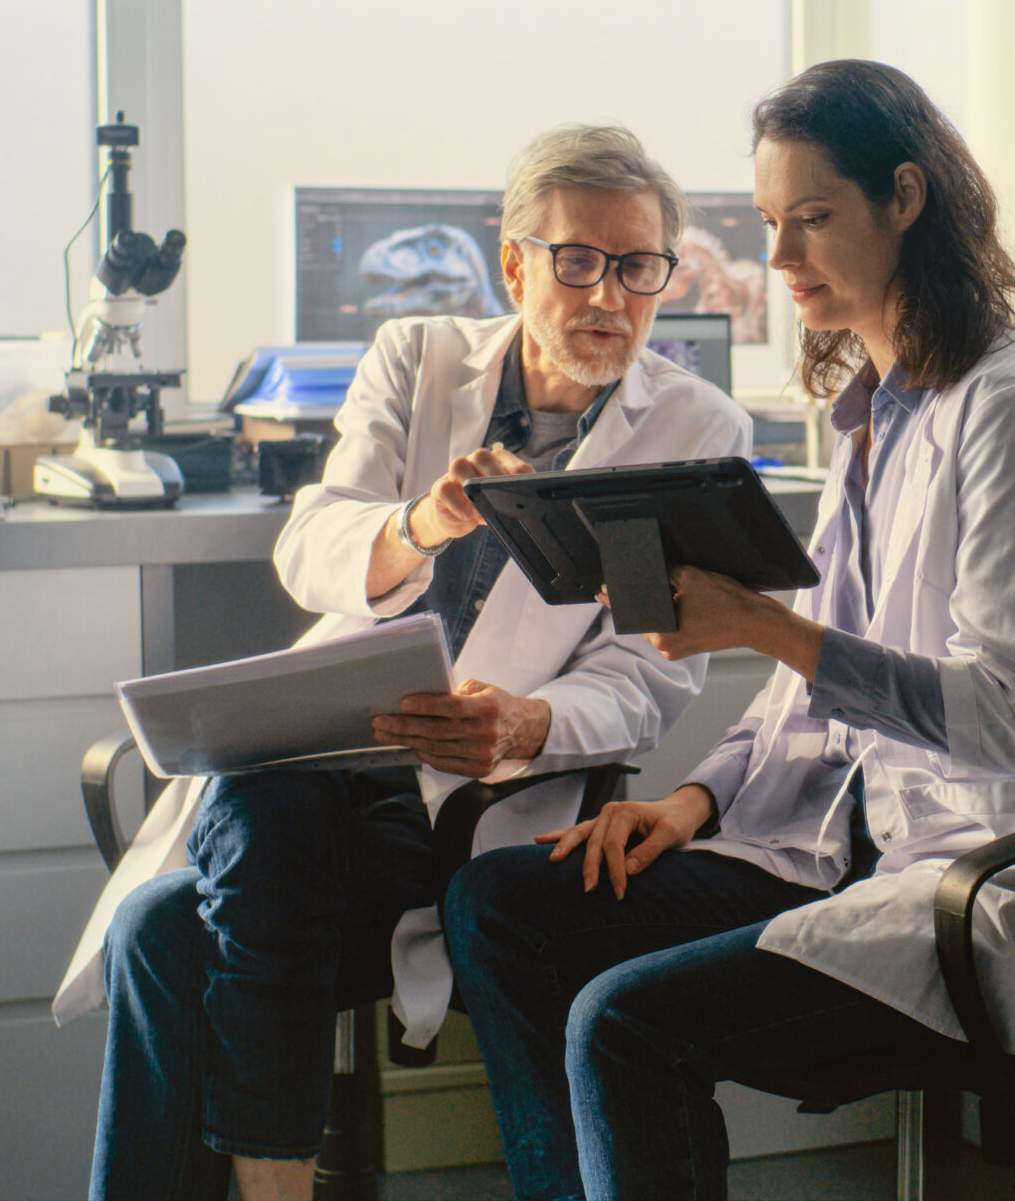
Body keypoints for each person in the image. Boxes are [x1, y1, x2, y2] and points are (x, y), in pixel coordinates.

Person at [445, 60, 1015, 1201]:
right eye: (771, 225)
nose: (777, 261)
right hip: (856, 841)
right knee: (502, 908)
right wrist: (691, 804)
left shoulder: (1014, 406)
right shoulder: (874, 411)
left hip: (981, 875)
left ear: (906, 199)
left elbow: (1006, 717)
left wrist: (762, 629)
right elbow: (806, 706)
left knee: (623, 1023)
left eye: (812, 221)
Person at [53, 124, 753, 1201]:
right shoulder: (420, 358)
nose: (608, 294)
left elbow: (651, 676)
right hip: (345, 760)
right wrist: (419, 526)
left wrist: (528, 723)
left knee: (168, 924)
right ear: (516, 263)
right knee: (255, 811)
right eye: (577, 261)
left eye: (637, 267)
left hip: (482, 803)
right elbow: (309, 544)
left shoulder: (696, 425)